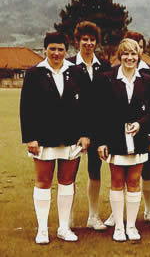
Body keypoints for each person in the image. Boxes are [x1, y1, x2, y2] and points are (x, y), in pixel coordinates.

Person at [20, 32, 90, 244]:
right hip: (43, 138)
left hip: (71, 138)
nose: (57, 53)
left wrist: (85, 134)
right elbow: (26, 108)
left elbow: (87, 106)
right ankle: (42, 230)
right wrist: (30, 138)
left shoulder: (77, 72)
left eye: (60, 49)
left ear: (66, 51)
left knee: (67, 181)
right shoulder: (34, 73)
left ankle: (63, 227)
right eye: (52, 49)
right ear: (45, 50)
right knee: (43, 181)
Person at [95, 38, 150, 242]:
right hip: (114, 139)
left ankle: (131, 226)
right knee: (116, 182)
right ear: (119, 56)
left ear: (138, 56)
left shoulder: (148, 80)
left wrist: (141, 123)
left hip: (138, 138)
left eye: (133, 54)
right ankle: (119, 227)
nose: (130, 58)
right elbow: (100, 113)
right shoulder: (106, 78)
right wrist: (102, 141)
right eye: (126, 54)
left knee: (133, 182)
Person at [67, 21, 111, 231]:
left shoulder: (104, 67)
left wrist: (100, 136)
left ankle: (93, 216)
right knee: (70, 175)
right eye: (84, 39)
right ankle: (68, 217)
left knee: (95, 173)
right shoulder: (68, 66)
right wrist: (80, 133)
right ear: (77, 41)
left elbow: (106, 102)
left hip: (98, 130)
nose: (88, 43)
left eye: (92, 39)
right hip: (73, 131)